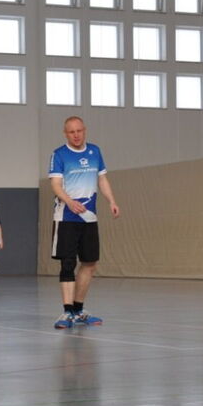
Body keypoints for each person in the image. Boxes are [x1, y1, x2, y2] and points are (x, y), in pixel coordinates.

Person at [49, 116, 120, 329]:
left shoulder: (95, 151)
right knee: (68, 262)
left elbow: (102, 179)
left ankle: (78, 310)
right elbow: (56, 184)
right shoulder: (59, 154)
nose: (76, 135)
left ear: (84, 130)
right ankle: (67, 312)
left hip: (89, 218)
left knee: (90, 263)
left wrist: (112, 201)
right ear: (66, 133)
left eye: (79, 130)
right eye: (71, 132)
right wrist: (70, 202)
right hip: (66, 217)